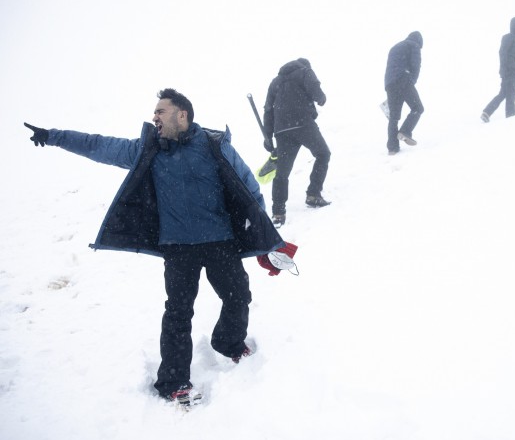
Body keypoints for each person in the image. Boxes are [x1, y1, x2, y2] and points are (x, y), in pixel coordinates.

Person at [24, 88, 289, 408]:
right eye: (155, 113)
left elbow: (248, 185)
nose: (155, 117)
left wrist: (261, 235)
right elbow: (98, 145)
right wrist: (54, 136)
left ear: (182, 115)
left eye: (161, 111)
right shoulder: (149, 149)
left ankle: (229, 342)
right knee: (178, 313)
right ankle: (173, 381)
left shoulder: (213, 145)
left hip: (220, 241)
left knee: (238, 297)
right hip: (179, 247)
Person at [263, 58, 331, 227]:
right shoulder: (305, 71)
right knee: (323, 154)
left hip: (282, 131)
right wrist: (321, 97)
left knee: (282, 173)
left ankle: (278, 212)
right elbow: (315, 88)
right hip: (302, 123)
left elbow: (268, 109)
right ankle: (313, 194)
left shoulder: (275, 82)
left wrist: (268, 136)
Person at [481, 17, 515, 123]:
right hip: (509, 70)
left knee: (504, 93)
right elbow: (502, 53)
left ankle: (487, 112)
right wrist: (504, 70)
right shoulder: (508, 38)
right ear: (514, 26)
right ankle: (511, 117)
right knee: (511, 92)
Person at [384, 31, 424, 155]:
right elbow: (415, 65)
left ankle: (392, 148)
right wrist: (412, 81)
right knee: (418, 108)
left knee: (394, 117)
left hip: (389, 84)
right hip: (403, 79)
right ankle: (405, 131)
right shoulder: (414, 45)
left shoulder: (396, 47)